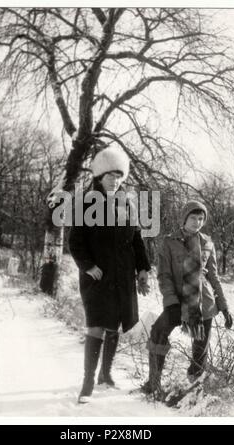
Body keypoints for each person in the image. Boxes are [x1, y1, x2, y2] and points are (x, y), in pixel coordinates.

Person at [69, 146, 151, 404]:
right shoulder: (85, 203)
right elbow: (75, 242)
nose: (115, 181)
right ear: (99, 177)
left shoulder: (127, 203)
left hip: (123, 276)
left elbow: (136, 240)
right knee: (96, 326)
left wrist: (143, 270)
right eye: (109, 176)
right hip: (97, 277)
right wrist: (88, 266)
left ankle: (106, 375)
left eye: (119, 176)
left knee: (114, 324)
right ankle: (87, 383)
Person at [141, 200, 233, 399]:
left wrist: (224, 306)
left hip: (203, 304)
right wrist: (171, 301)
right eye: (193, 217)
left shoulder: (207, 242)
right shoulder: (169, 241)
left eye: (201, 219)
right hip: (177, 301)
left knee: (199, 353)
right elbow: (164, 275)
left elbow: (214, 277)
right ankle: (153, 383)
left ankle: (192, 395)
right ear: (184, 218)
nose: (197, 222)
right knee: (158, 332)